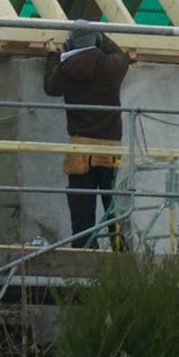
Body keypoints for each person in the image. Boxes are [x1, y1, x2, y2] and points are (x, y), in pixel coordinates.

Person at [43, 27, 130, 249]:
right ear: (96, 41)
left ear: (72, 45)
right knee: (115, 211)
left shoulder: (65, 69)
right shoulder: (112, 66)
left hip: (80, 152)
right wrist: (102, 37)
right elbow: (122, 55)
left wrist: (53, 55)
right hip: (110, 151)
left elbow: (50, 87)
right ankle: (121, 254)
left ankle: (83, 256)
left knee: (82, 215)